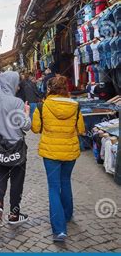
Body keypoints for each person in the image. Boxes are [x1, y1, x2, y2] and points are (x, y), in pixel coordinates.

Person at [31, 76, 85, 242]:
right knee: (66, 181)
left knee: (54, 188)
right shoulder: (76, 106)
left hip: (51, 153)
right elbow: (81, 130)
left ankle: (60, 229)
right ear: (65, 89)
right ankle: (67, 215)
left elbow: (35, 128)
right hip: (69, 151)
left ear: (50, 89)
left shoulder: (42, 106)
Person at [0, 71, 31, 224]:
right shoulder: (17, 102)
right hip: (17, 147)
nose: (18, 86)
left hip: (1, 147)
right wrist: (27, 113)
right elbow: (25, 126)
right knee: (17, 181)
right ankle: (14, 214)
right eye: (17, 82)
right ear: (11, 83)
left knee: (1, 176)